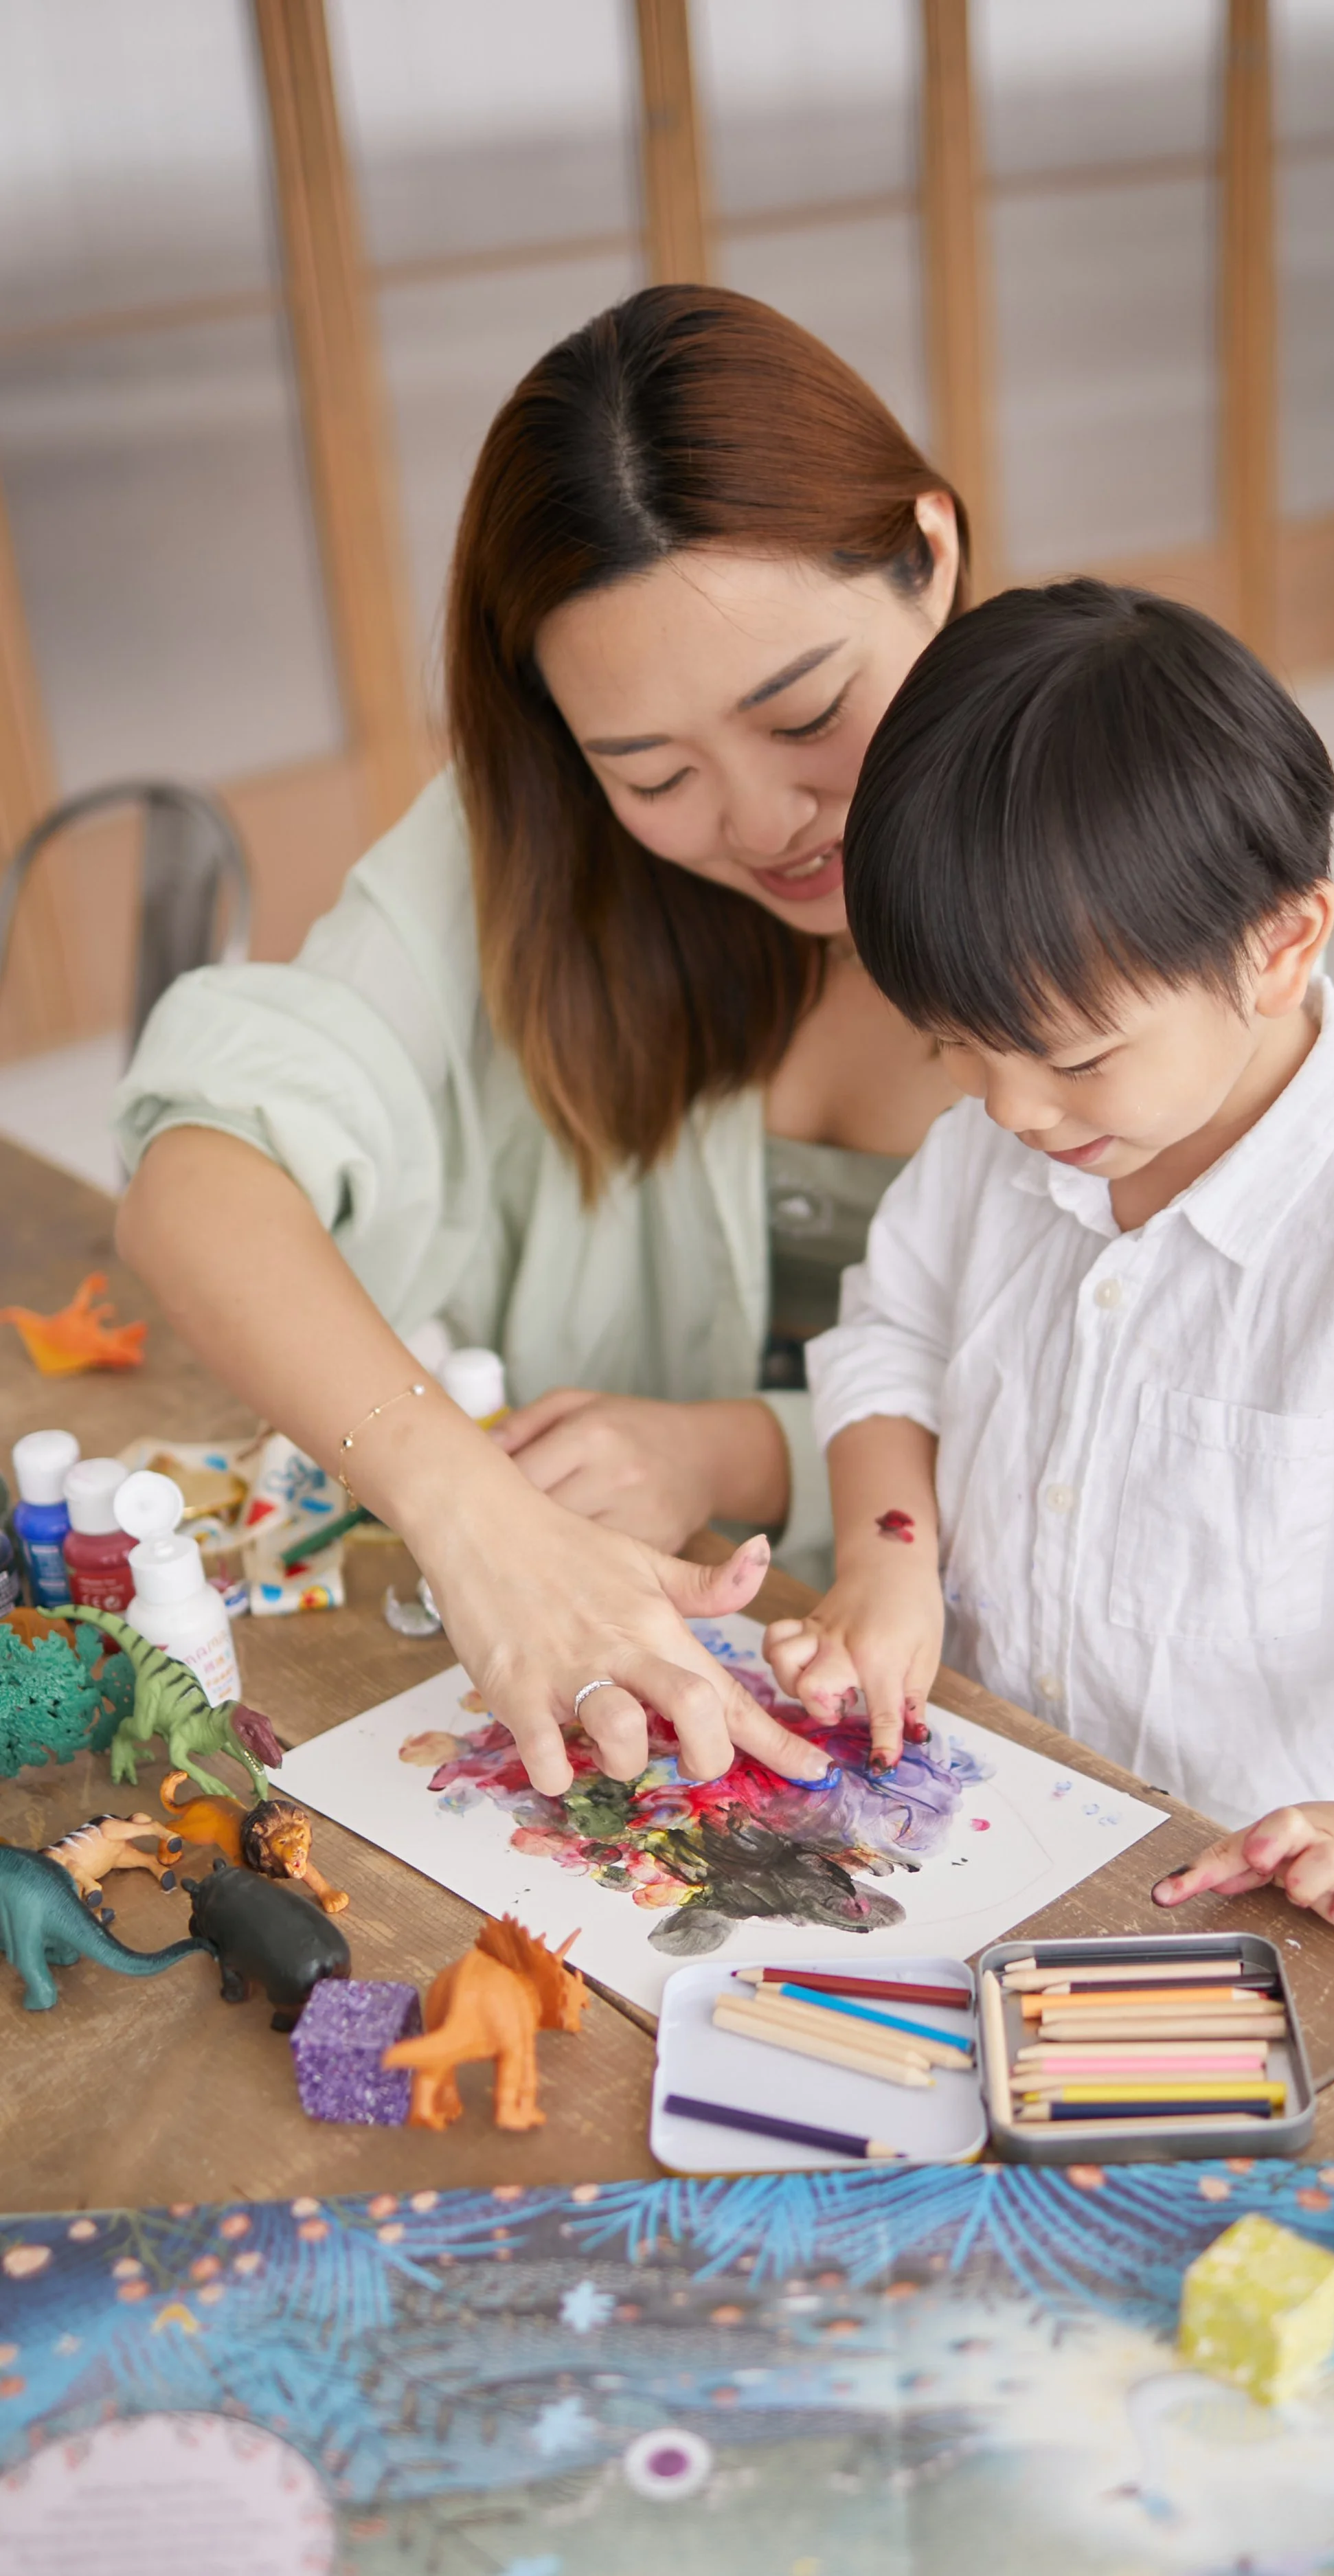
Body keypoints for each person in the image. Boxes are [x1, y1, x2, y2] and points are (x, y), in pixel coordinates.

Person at [113, 285, 966, 1798]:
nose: (762, 821)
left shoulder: (1121, 828)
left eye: (804, 711)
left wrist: (730, 1451)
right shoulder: (523, 847)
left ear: (927, 556)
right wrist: (470, 1514)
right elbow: (202, 1168)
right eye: (651, 769)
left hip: (1038, 1702)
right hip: (644, 1689)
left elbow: (1191, 1405)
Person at [765, 580, 1334, 1936]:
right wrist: (889, 1554)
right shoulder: (993, 1154)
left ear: (1278, 946)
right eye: (956, 1047)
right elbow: (891, 1349)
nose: (1008, 1109)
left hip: (1272, 1895)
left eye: (1069, 1056)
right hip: (998, 1817)